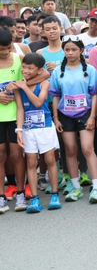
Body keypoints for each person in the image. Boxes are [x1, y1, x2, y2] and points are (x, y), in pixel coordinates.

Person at [49, 36, 97, 203]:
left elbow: (94, 95)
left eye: (74, 49)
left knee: (87, 148)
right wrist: (56, 118)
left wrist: (93, 116)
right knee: (70, 150)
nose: (71, 53)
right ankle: (76, 186)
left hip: (85, 113)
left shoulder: (90, 70)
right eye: (67, 50)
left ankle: (96, 187)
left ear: (81, 50)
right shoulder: (58, 71)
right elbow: (56, 96)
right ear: (63, 51)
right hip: (65, 115)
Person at [13, 53, 61, 213]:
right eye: (24, 67)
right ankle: (34, 198)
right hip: (28, 129)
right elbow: (20, 108)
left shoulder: (44, 84)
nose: (26, 71)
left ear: (39, 70)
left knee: (49, 160)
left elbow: (39, 102)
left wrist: (25, 86)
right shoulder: (18, 88)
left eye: (30, 68)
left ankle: (54, 194)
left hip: (45, 127)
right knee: (31, 163)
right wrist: (19, 130)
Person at [0, 28, 27, 213]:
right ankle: (1, 196)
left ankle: (20, 194)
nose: (4, 52)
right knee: (0, 155)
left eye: (7, 47)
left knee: (17, 155)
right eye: (0, 49)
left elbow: (40, 74)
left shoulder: (18, 58)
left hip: (16, 115)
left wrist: (17, 85)